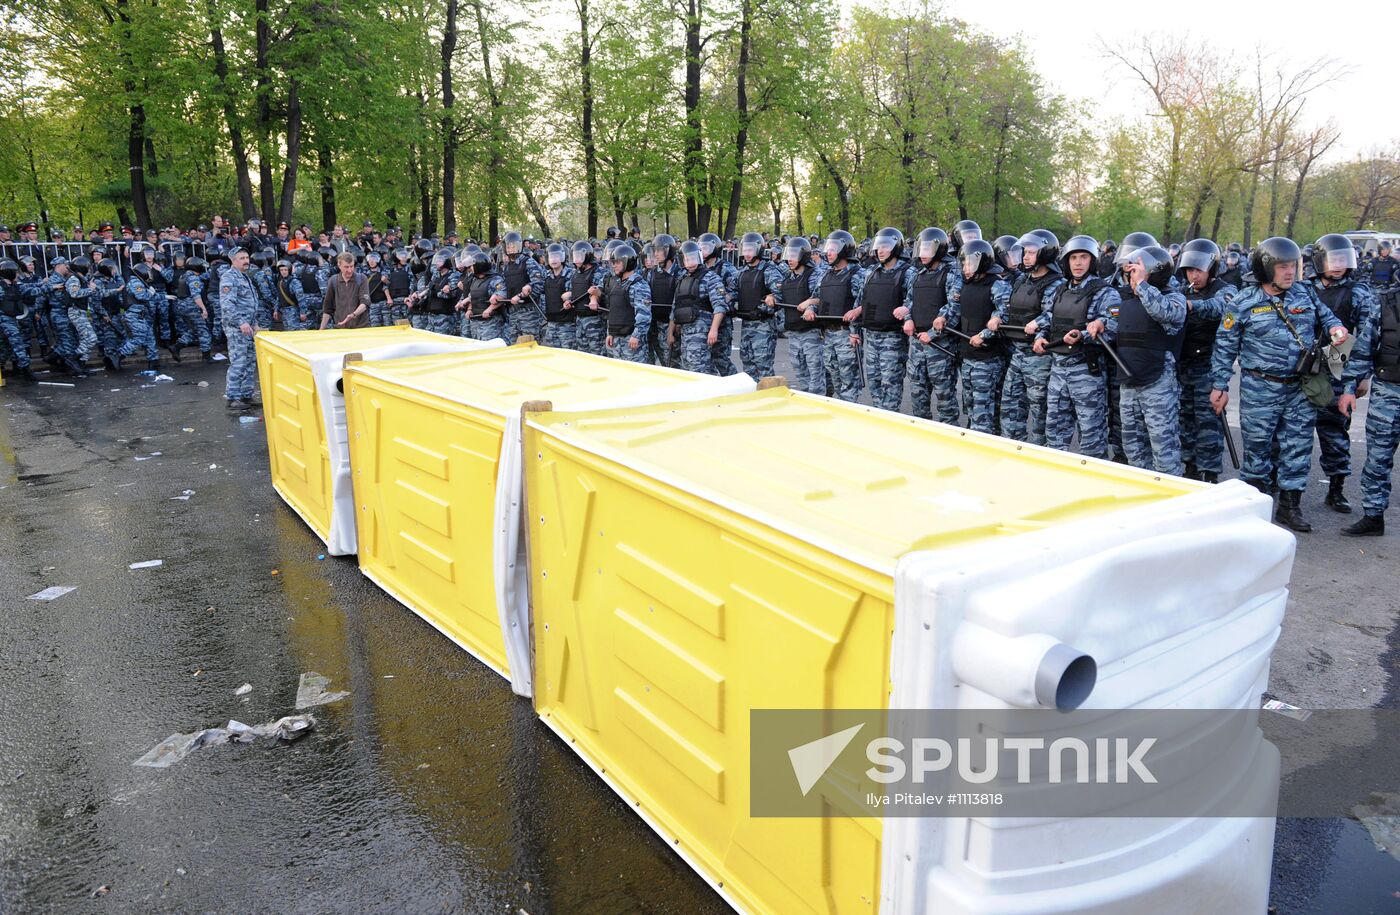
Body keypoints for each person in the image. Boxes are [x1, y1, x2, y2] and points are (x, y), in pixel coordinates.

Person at [1211, 237, 1348, 532]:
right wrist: (1219, 386)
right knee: (1258, 449)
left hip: (1300, 388)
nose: (1290, 272)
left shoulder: (1305, 294)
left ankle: (1290, 507)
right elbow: (1224, 346)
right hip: (1261, 388)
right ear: (1264, 269)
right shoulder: (1243, 302)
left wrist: (1337, 328)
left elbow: (1329, 319)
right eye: (1283, 267)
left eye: (1293, 266)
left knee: (1297, 448)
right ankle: (1254, 506)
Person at [1036, 235, 1119, 459]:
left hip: (1086, 373)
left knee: (1091, 438)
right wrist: (1040, 337)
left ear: (1092, 261)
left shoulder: (1105, 292)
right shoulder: (1060, 290)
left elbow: (1113, 327)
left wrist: (1084, 335)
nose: (1078, 263)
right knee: (1054, 434)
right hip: (1058, 371)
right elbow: (1049, 318)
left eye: (1084, 257)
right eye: (1074, 257)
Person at [1310, 233, 1377, 513]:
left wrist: (1362, 375)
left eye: (1342, 260)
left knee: (1334, 430)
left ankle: (1335, 488)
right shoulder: (1304, 289)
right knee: (1286, 429)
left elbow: (1370, 336)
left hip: (1339, 363)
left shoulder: (1359, 292)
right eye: (1331, 260)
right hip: (1303, 363)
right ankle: (1279, 481)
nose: (1337, 265)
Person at [1113, 245, 1186, 475]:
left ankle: (1172, 504)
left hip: (1157, 385)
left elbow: (1164, 313)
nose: (1131, 278)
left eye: (1136, 272)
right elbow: (1113, 326)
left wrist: (1143, 285)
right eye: (1131, 274)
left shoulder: (1174, 298)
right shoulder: (1126, 299)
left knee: (1164, 451)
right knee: (1133, 449)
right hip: (1129, 382)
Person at [1338, 284, 1400, 536]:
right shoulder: (1385, 302)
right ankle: (1373, 516)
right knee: (1378, 458)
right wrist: (1349, 388)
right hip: (1388, 392)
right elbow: (1363, 348)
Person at [1176, 239, 1237, 482]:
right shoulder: (1182, 291)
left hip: (1209, 368)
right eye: (1190, 270)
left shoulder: (1225, 289)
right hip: (1183, 366)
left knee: (1209, 424)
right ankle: (1189, 468)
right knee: (1185, 421)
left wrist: (1191, 305)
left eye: (1199, 270)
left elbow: (1222, 307)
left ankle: (1210, 474)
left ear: (1211, 269)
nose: (1194, 275)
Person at [935, 238, 1008, 433]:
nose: (966, 268)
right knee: (970, 405)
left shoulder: (997, 285)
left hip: (987, 358)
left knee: (983, 410)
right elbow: (954, 308)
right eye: (964, 263)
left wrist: (984, 334)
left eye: (970, 263)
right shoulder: (966, 285)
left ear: (982, 263)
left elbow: (1004, 314)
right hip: (967, 356)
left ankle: (985, 448)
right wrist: (942, 317)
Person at [1000, 230, 1065, 444]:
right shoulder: (1021, 280)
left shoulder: (1056, 284)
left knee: (1039, 410)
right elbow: (1009, 307)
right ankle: (1012, 447)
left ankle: (1039, 451)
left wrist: (1038, 322)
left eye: (1031, 252)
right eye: (1024, 252)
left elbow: (1056, 312)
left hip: (1039, 357)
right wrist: (997, 317)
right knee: (1010, 405)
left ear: (1045, 254)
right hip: (1017, 353)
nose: (1025, 257)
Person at [902, 227, 960, 424]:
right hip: (917, 345)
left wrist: (933, 333)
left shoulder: (951, 274)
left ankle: (950, 438)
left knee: (945, 399)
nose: (923, 254)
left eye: (928, 249)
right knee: (918, 394)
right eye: (921, 248)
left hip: (939, 347)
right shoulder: (917, 275)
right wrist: (908, 318)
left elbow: (954, 307)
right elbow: (909, 302)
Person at [856, 227, 911, 411]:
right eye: (878, 246)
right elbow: (861, 303)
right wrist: (854, 332)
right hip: (870, 338)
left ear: (896, 248)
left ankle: (891, 422)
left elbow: (915, 301)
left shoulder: (907, 273)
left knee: (891, 385)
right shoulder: (870, 272)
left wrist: (907, 311)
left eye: (885, 246)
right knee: (875, 384)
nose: (880, 250)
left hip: (892, 339)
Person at [768, 236, 827, 394]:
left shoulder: (815, 274)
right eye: (789, 255)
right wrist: (772, 297)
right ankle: (809, 400)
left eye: (794, 256)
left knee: (815, 371)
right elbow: (780, 296)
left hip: (811, 332)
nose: (790, 259)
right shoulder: (788, 277)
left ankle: (819, 403)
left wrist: (809, 304)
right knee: (800, 370)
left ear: (803, 256)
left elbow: (823, 297)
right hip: (794, 332)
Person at [816, 229, 867, 401]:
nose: (828, 253)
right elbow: (817, 298)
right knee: (836, 379)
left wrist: (854, 331)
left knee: (849, 381)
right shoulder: (826, 274)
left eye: (833, 249)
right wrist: (809, 308)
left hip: (846, 335)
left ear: (844, 250)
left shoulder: (857, 274)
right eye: (827, 248)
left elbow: (861, 304)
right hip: (829, 335)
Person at [669, 239, 727, 374]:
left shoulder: (710, 278)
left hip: (701, 332)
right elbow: (675, 307)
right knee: (688, 369)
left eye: (693, 258)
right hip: (684, 333)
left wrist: (713, 330)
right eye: (687, 259)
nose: (690, 263)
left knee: (700, 369)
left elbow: (720, 306)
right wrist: (670, 332)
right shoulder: (682, 279)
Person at [733, 231, 782, 382]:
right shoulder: (741, 272)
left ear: (759, 249)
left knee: (764, 368)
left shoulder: (768, 270)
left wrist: (772, 297)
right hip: (746, 324)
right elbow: (733, 292)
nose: (747, 254)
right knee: (748, 368)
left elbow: (780, 293)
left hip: (763, 326)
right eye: (745, 250)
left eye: (750, 250)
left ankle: (770, 401)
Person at [220, 248, 261, 410]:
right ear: (233, 261)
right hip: (237, 328)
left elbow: (251, 303)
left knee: (250, 362)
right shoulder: (229, 277)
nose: (246, 260)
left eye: (247, 257)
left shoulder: (244, 276)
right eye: (242, 258)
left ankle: (246, 396)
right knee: (238, 362)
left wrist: (254, 322)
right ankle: (232, 397)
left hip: (249, 327)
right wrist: (241, 322)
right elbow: (227, 305)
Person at [601, 243, 651, 362]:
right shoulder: (617, 284)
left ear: (627, 262)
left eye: (618, 262)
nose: (614, 266)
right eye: (613, 262)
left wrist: (636, 336)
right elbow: (613, 311)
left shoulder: (639, 285)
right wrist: (610, 333)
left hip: (631, 341)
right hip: (616, 340)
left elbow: (644, 315)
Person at [697, 232, 738, 374]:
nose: (702, 250)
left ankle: (734, 384)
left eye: (706, 247)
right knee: (705, 360)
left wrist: (722, 298)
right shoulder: (698, 268)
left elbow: (736, 293)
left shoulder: (727, 268)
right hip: (703, 321)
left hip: (722, 322)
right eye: (700, 247)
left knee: (721, 359)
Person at [498, 231, 546, 344]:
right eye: (508, 246)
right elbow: (504, 286)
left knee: (530, 344)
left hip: (528, 313)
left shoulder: (528, 262)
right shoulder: (507, 267)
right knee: (513, 345)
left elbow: (539, 283)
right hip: (512, 313)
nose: (511, 248)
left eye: (513, 245)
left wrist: (523, 293)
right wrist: (498, 295)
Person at [565, 241, 606, 355]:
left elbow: (598, 289)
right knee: (582, 353)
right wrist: (568, 301)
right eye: (575, 256)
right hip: (579, 319)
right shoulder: (575, 273)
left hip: (594, 320)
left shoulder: (598, 271)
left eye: (579, 256)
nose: (576, 259)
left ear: (587, 255)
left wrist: (593, 299)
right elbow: (571, 292)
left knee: (597, 352)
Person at [120, 262, 163, 372]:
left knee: (150, 338)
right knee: (139, 339)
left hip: (140, 315)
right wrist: (151, 292)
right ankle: (118, 355)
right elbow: (142, 296)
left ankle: (153, 362)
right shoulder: (136, 282)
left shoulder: (139, 281)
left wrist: (163, 296)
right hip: (134, 315)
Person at [170, 256, 213, 362]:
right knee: (203, 330)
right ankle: (206, 356)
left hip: (182, 307)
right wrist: (203, 309)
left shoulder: (184, 276)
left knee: (194, 330)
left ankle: (177, 346)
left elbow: (206, 276)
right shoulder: (193, 278)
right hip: (192, 307)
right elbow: (196, 296)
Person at [646, 234, 680, 367]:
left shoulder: (680, 273)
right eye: (654, 250)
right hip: (655, 325)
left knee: (673, 364)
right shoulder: (652, 274)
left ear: (669, 251)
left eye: (659, 250)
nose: (655, 254)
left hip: (672, 326)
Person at [0, 260, 37, 381]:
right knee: (18, 344)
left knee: (6, 347)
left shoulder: (15, 285)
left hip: (11, 318)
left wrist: (50, 286)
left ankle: (3, 366)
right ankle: (26, 369)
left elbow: (32, 289)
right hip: (4, 319)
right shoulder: (1, 287)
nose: (17, 275)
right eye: (15, 272)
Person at [460, 250, 507, 341]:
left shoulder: (495, 279)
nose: (471, 268)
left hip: (490, 323)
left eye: (473, 265)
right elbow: (473, 296)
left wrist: (490, 309)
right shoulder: (475, 280)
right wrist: (469, 309)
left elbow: (502, 294)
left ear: (479, 266)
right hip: (475, 322)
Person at [539, 243, 578, 349]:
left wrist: (570, 298)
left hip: (567, 324)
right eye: (551, 257)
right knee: (552, 354)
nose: (554, 260)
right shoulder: (546, 275)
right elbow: (537, 289)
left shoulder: (572, 273)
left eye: (557, 256)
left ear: (562, 257)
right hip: (551, 323)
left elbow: (579, 291)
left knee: (568, 355)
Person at [320, 251, 371, 329]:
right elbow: (327, 308)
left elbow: (365, 303)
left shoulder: (361, 278)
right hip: (341, 328)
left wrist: (353, 315)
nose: (350, 270)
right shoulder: (333, 280)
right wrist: (321, 330)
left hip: (361, 327)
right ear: (339, 265)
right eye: (346, 267)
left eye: (352, 266)